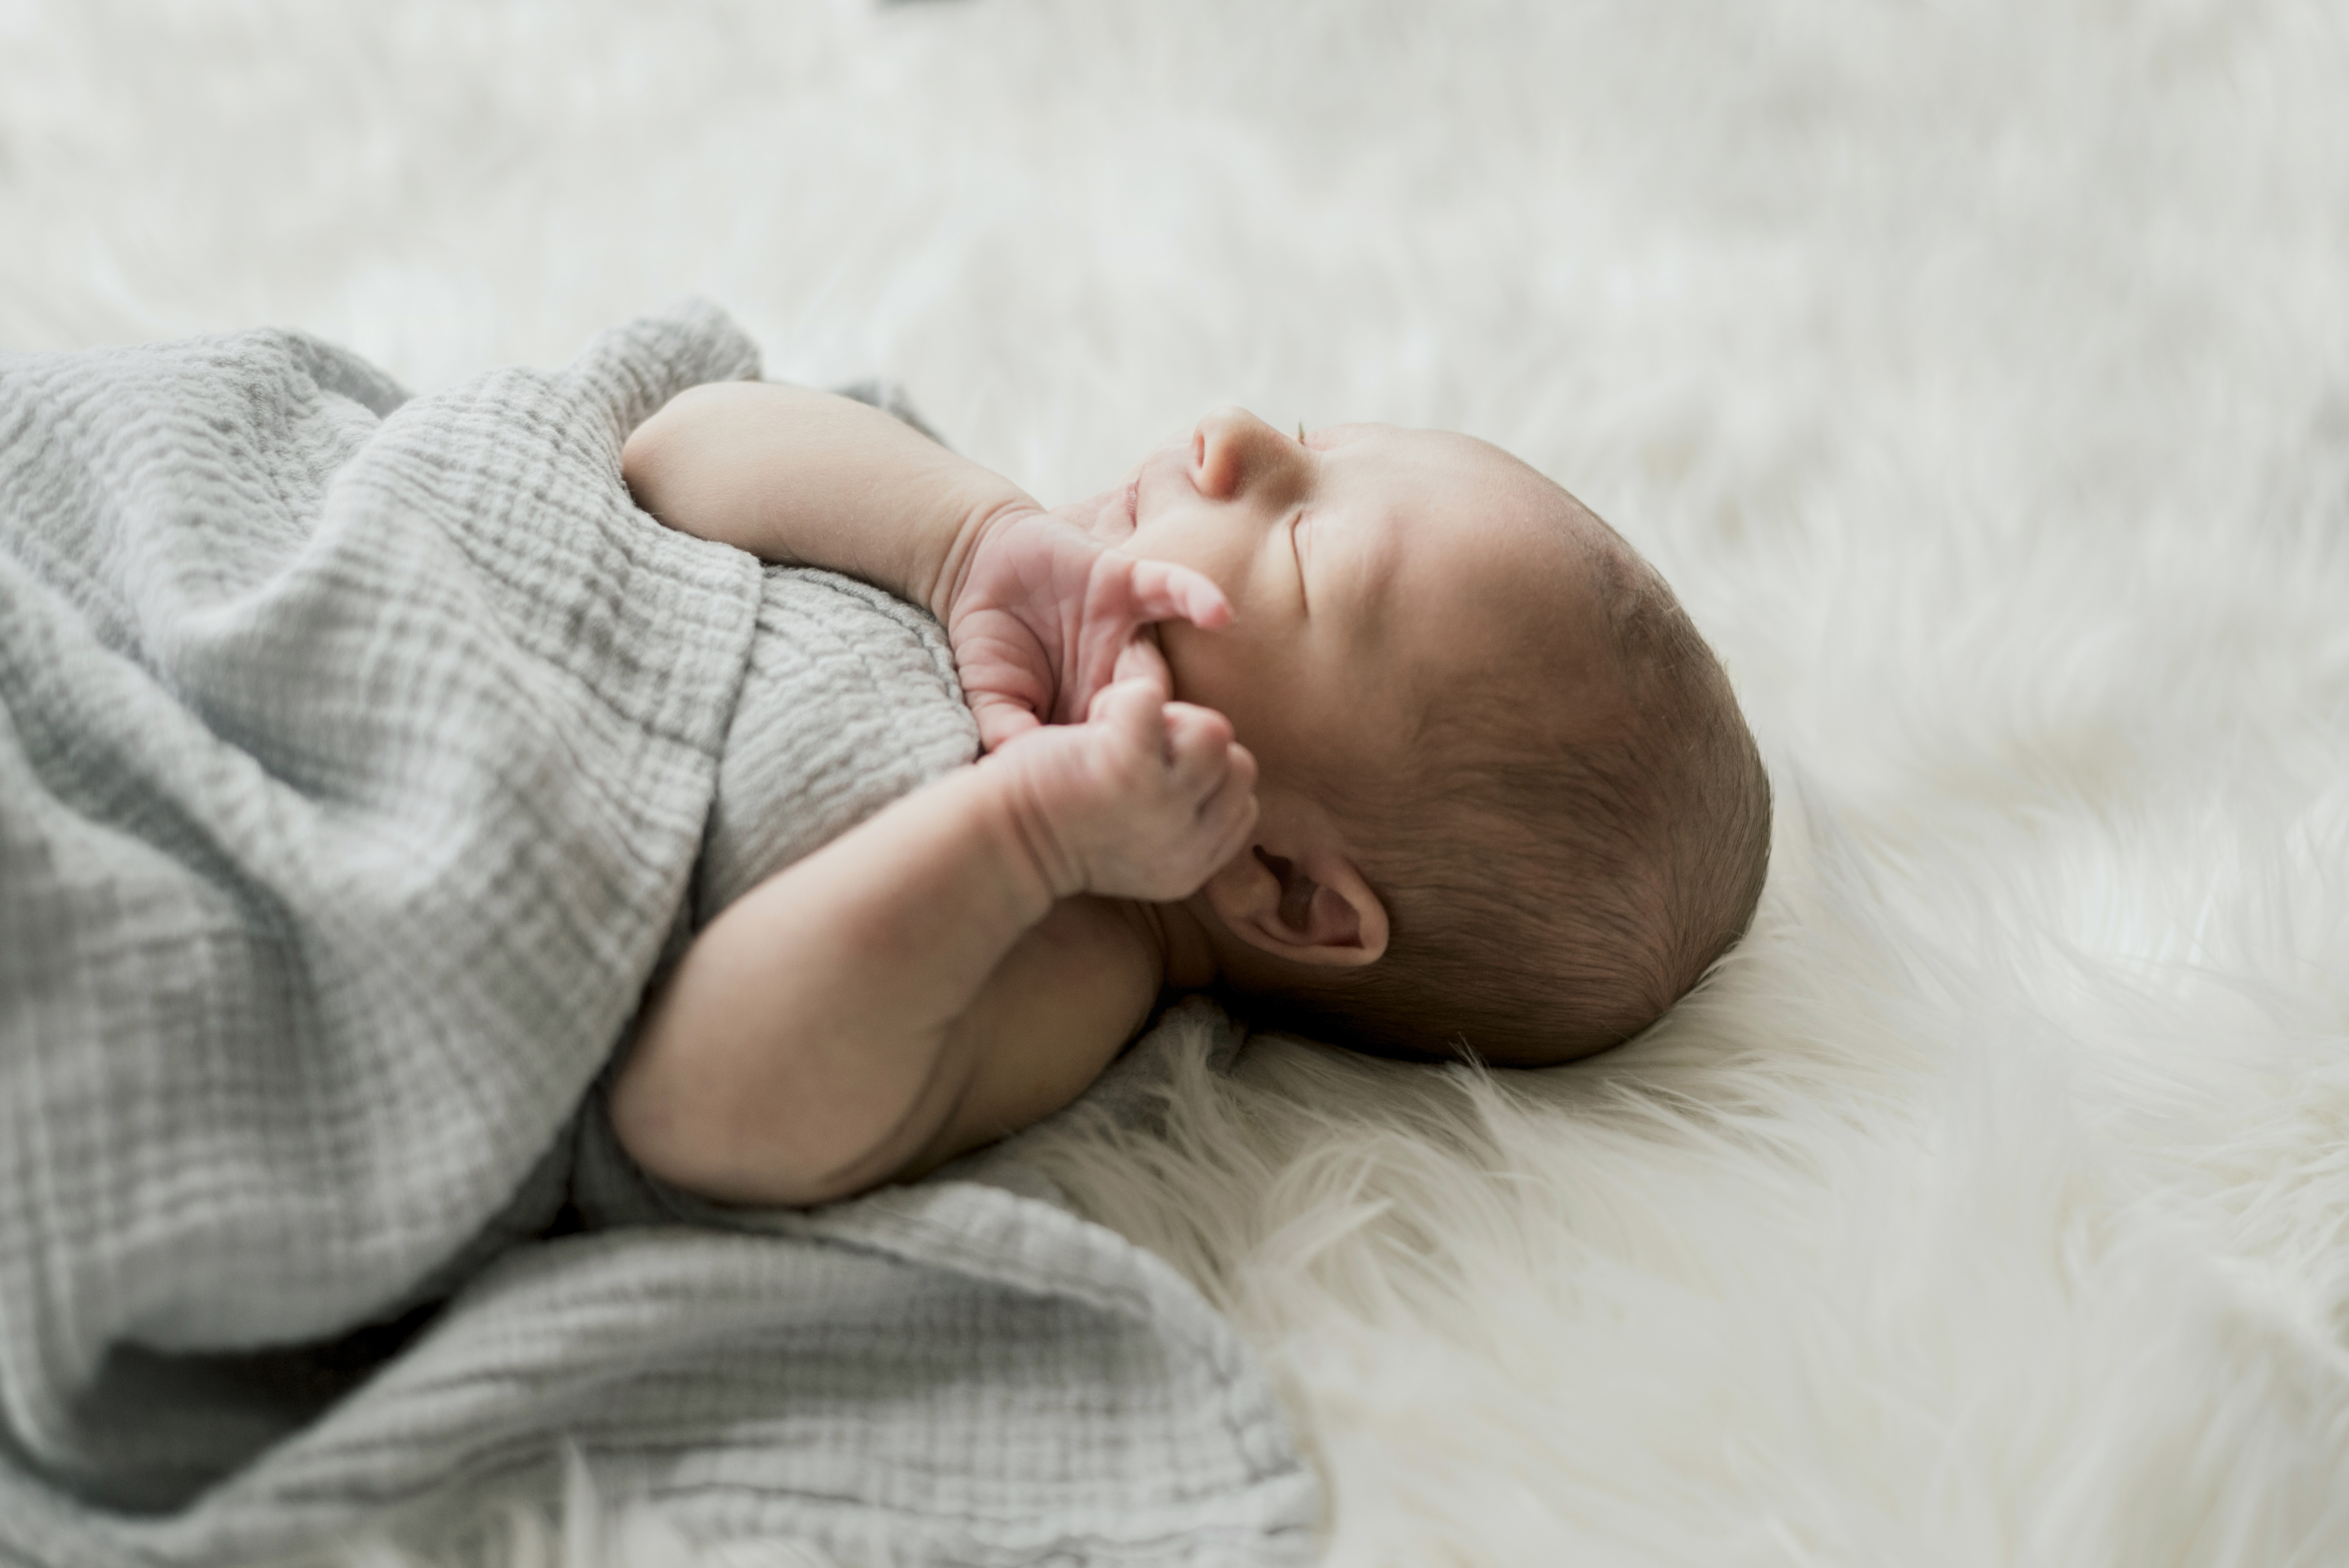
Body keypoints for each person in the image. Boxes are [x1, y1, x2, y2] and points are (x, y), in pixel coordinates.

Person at [611, 384, 1772, 1207]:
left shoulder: (1076, 946)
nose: (1241, 437)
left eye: (1307, 545)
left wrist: (1025, 833)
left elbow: (698, 1110)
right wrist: (962, 541)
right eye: (1322, 437)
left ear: (1286, 887)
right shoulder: (986, 540)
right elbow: (669, 448)